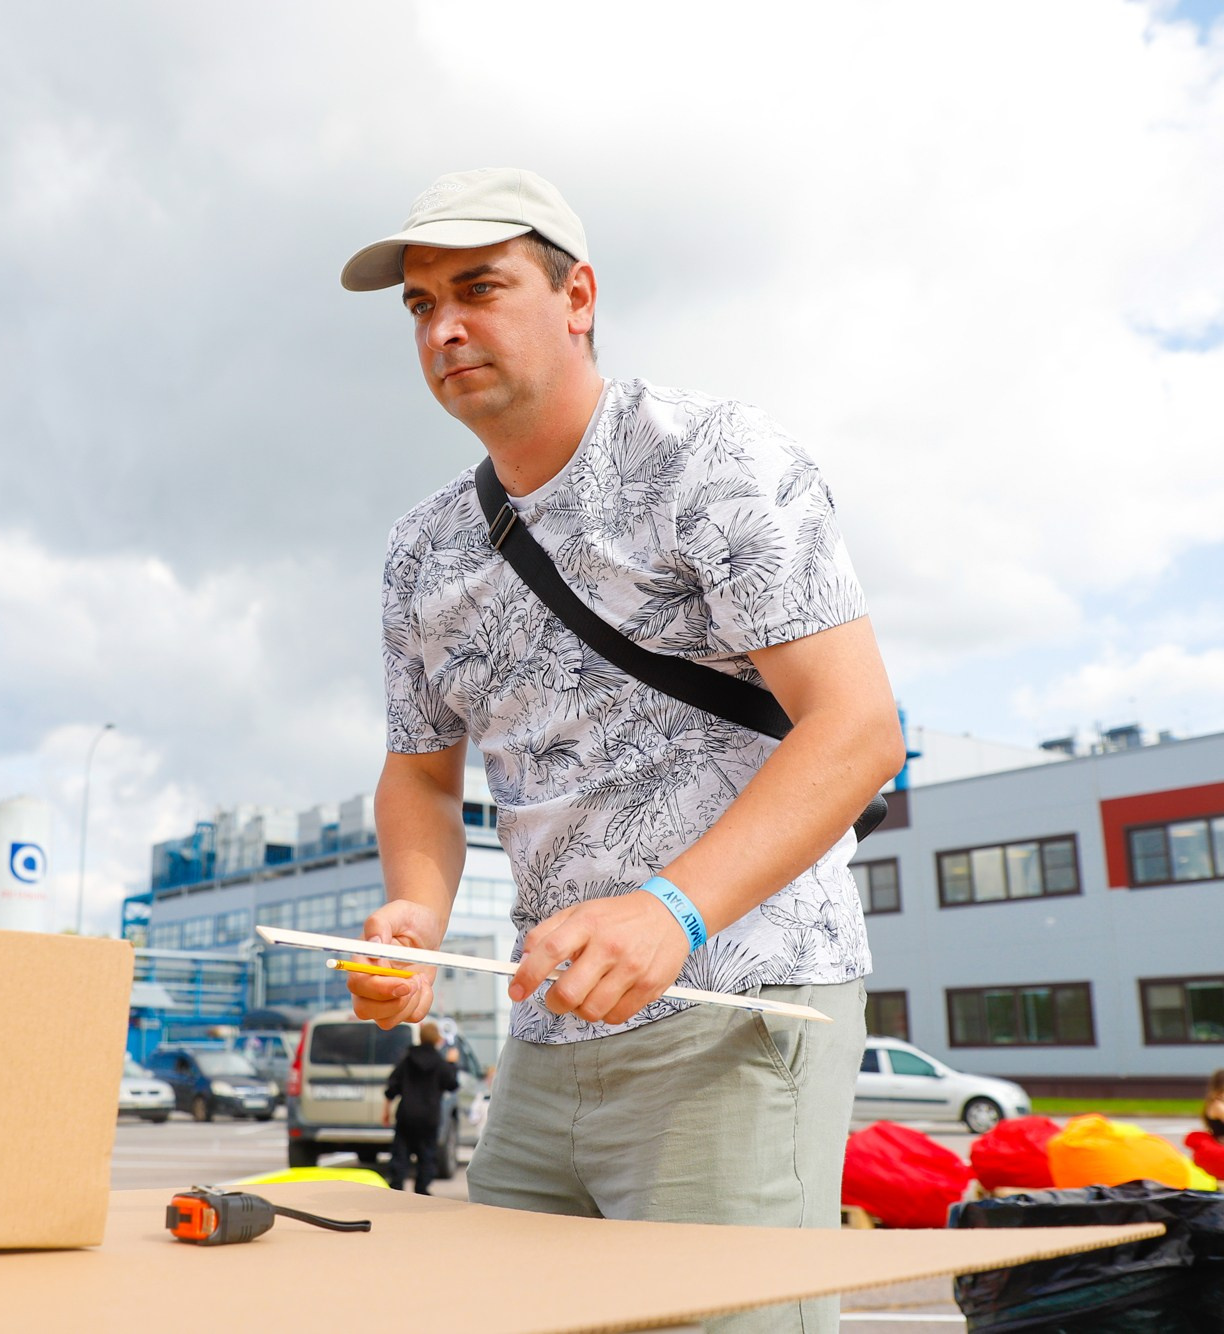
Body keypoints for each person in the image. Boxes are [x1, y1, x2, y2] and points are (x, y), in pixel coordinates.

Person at [339, 169, 906, 1334]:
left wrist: (670, 909)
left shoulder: (710, 457)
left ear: (577, 293)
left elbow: (857, 732)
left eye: (479, 288)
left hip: (738, 1006)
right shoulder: (419, 550)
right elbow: (418, 774)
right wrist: (411, 909)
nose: (443, 326)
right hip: (543, 1032)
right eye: (418, 304)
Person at [382, 1020, 459, 1194]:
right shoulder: (440, 1063)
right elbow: (452, 1085)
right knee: (427, 1155)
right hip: (429, 1117)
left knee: (400, 1153)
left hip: (407, 1115)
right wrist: (452, 1063)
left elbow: (392, 1087)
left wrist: (386, 1111)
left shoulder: (408, 1059)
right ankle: (422, 1189)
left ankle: (396, 1188)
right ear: (438, 1040)